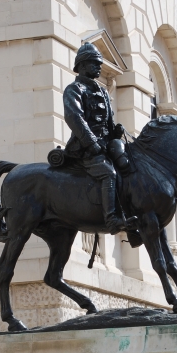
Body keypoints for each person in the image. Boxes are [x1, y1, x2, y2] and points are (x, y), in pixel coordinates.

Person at [63, 42, 137, 234]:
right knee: (108, 173)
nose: (98, 67)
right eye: (94, 63)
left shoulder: (103, 91)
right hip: (85, 148)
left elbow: (107, 123)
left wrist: (115, 132)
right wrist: (91, 143)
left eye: (99, 63)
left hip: (105, 144)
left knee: (129, 166)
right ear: (82, 65)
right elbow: (75, 118)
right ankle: (111, 219)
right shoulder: (75, 89)